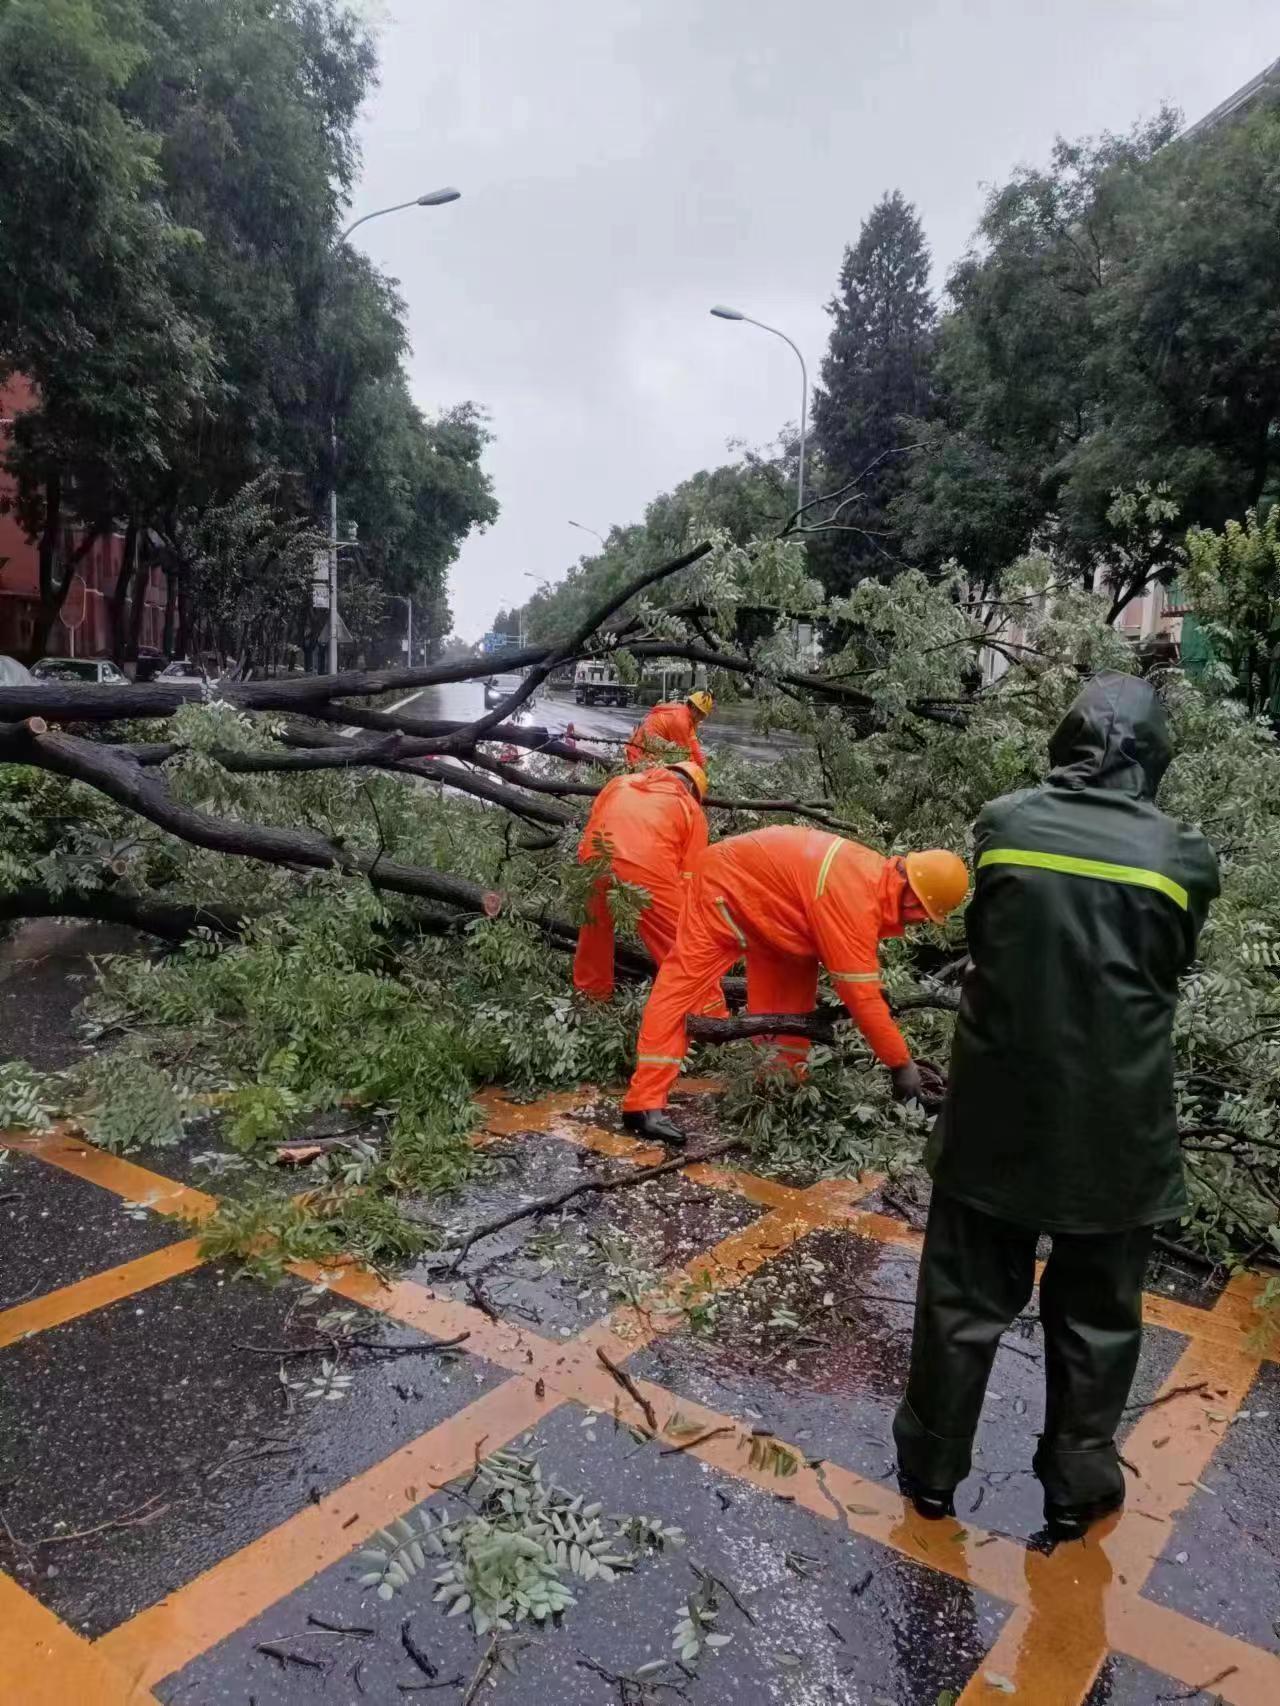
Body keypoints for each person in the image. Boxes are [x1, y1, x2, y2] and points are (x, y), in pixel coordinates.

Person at [894, 672, 1220, 1540]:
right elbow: (1168, 963)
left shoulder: (1002, 825)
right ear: (1154, 758)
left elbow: (988, 940)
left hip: (993, 1119)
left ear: (1064, 739)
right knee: (1098, 1320)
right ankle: (1077, 1486)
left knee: (961, 1302)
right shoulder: (1184, 854)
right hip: (1120, 1132)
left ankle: (929, 1470)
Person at [620, 825, 968, 1143]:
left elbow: (860, 976)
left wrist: (874, 997)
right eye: (924, 914)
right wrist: (901, 1065)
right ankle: (643, 1105)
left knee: (790, 998)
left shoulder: (870, 881)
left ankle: (778, 1086)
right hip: (725, 883)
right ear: (913, 898)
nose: (919, 922)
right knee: (680, 988)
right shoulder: (854, 896)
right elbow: (859, 993)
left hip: (782, 915)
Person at [573, 761, 713, 1002]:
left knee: (594, 932)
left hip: (596, 858)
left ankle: (591, 997)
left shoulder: (619, 783)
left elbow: (592, 825)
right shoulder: (690, 808)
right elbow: (690, 876)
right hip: (646, 867)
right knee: (685, 947)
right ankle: (708, 1016)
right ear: (693, 791)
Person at [625, 690, 713, 770]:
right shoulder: (681, 720)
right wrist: (697, 768)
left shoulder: (687, 715)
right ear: (694, 708)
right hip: (641, 751)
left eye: (704, 715)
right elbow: (682, 753)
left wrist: (702, 764)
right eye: (702, 714)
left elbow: (693, 745)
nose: (702, 718)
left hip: (648, 745)